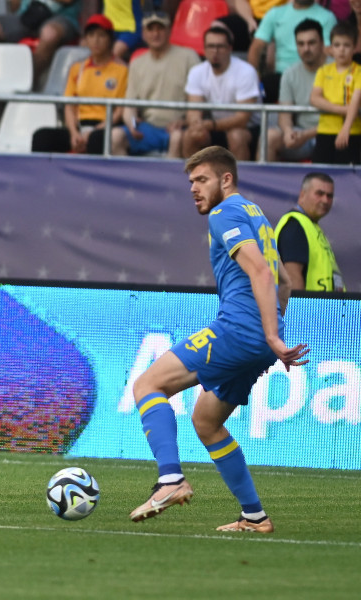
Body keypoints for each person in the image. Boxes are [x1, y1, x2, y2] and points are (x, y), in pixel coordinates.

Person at [129, 145, 309, 533]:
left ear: (226, 179)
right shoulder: (255, 213)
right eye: (191, 181)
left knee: (148, 384)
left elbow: (262, 273)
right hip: (257, 338)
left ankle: (170, 480)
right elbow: (285, 281)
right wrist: (270, 337)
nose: (194, 188)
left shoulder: (223, 213)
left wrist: (270, 336)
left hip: (239, 330)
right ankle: (255, 516)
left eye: (202, 179)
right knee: (207, 421)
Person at [31, 14, 127, 154]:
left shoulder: (121, 70)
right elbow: (69, 105)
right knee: (42, 137)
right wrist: (74, 133)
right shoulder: (77, 68)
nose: (96, 40)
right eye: (91, 35)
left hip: (104, 127)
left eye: (101, 35)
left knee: (97, 140)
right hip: (80, 125)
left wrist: (95, 130)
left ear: (110, 39)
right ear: (86, 39)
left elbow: (119, 112)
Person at [111, 10, 199, 158]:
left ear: (169, 31)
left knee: (177, 138)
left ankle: (169, 181)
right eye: (150, 29)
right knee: (115, 136)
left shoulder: (189, 57)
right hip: (148, 128)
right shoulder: (137, 63)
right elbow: (130, 105)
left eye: (160, 28)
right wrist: (132, 124)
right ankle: (127, 180)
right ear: (143, 33)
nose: (155, 34)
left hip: (178, 127)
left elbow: (197, 101)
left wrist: (184, 122)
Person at [182, 25, 262, 161]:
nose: (215, 51)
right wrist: (197, 124)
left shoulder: (246, 71)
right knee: (192, 134)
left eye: (220, 46)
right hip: (214, 127)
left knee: (235, 135)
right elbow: (193, 111)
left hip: (248, 129)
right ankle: (192, 178)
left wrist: (210, 125)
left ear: (230, 48)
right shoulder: (197, 71)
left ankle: (239, 181)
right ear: (204, 49)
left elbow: (243, 119)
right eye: (211, 46)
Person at [0, 0, 81, 84]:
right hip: (27, 16)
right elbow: (14, 6)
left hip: (61, 18)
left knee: (49, 34)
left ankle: (27, 81)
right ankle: (1, 74)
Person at [248, 0, 336, 104]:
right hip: (280, 76)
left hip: (314, 75)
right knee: (264, 88)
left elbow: (327, 51)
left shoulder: (327, 17)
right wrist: (254, 76)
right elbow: (256, 47)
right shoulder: (275, 13)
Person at [265, 18, 326, 162]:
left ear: (322, 43)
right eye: (301, 44)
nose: (306, 49)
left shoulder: (337, 69)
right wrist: (287, 132)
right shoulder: (289, 73)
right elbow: (284, 113)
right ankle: (265, 184)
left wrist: (307, 134)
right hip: (301, 133)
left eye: (311, 43)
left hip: (330, 133)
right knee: (270, 137)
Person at [274, 172, 345, 291]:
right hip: (308, 308)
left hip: (322, 307)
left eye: (329, 196)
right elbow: (292, 277)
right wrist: (299, 309)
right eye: (320, 193)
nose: (325, 200)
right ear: (302, 194)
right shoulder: (295, 225)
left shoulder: (311, 225)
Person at [310, 21, 361, 164]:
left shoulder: (358, 72)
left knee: (347, 178)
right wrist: (342, 109)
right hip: (325, 131)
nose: (341, 50)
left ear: (354, 48)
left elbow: (356, 100)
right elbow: (314, 98)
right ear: (330, 48)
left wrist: (346, 129)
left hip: (352, 132)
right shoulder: (323, 71)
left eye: (346, 45)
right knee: (320, 174)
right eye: (337, 45)